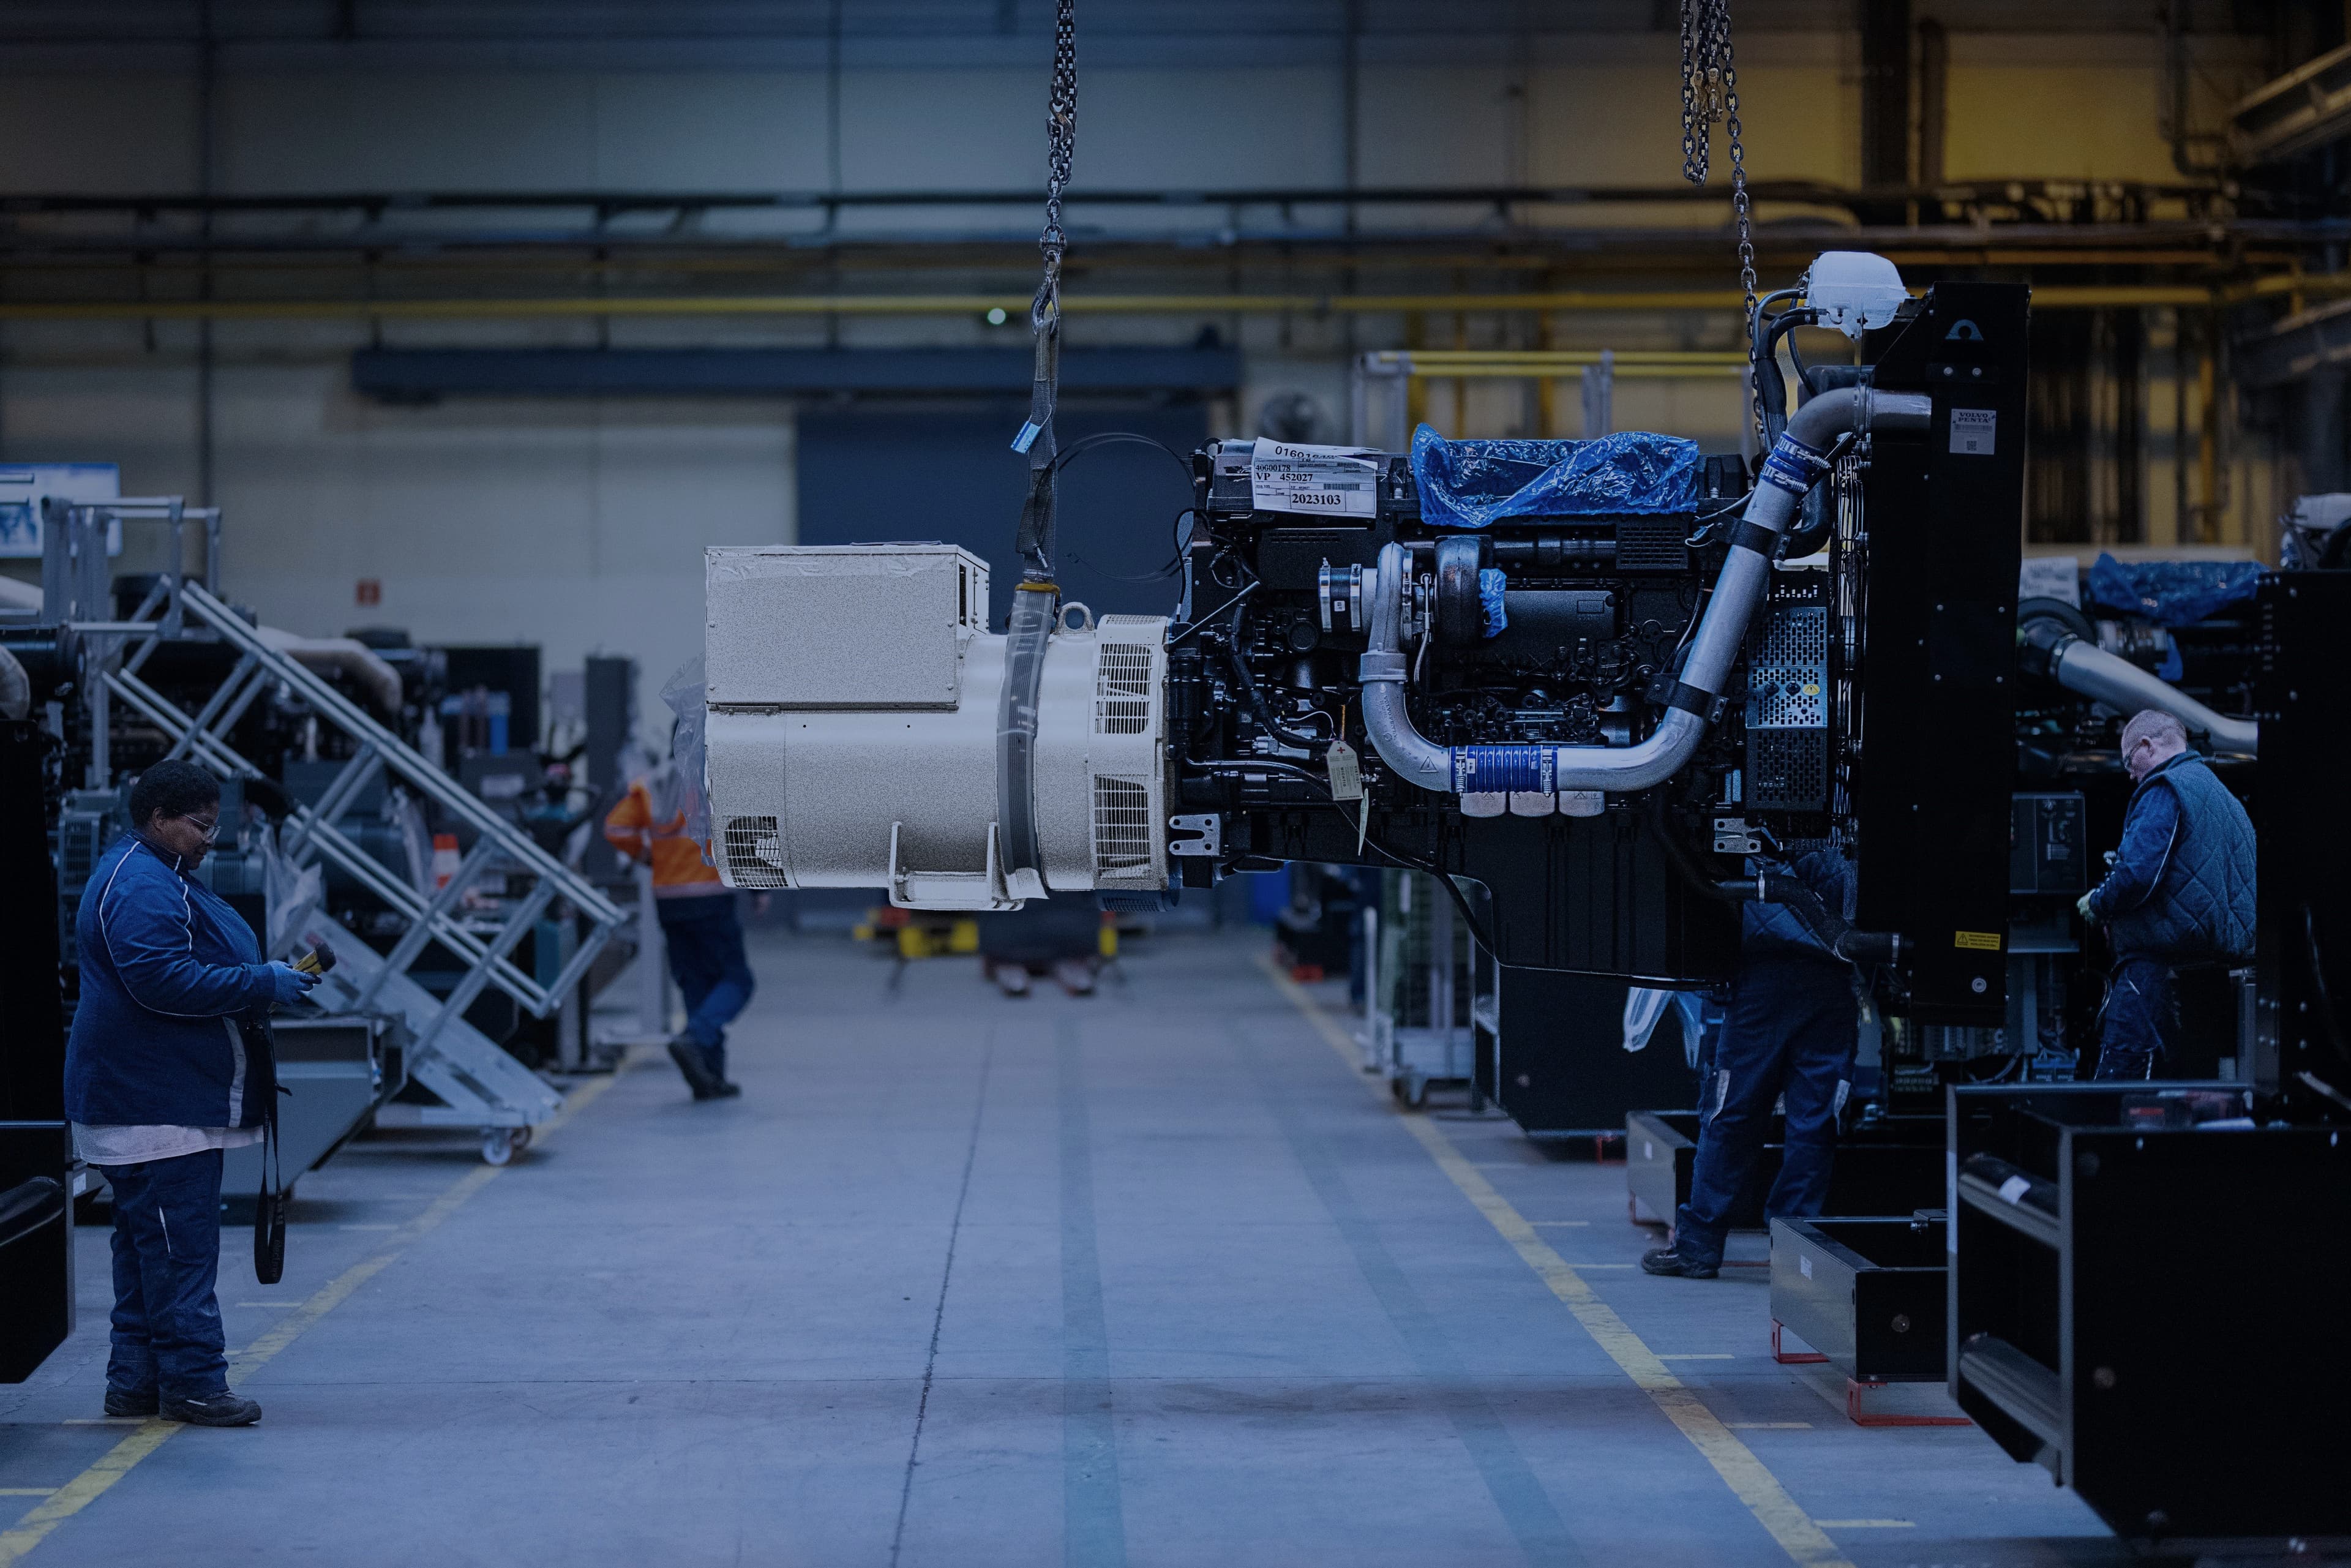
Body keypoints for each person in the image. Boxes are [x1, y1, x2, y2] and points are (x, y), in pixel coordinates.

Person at [61, 759, 320, 1426]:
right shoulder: (143, 884)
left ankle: (136, 1381)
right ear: (158, 819)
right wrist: (263, 982)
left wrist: (265, 977)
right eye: (200, 826)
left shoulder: (159, 872)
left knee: (148, 1248)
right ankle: (195, 1384)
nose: (212, 838)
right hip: (155, 1104)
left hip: (154, 1099)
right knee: (180, 1249)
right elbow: (162, 980)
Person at [1642, 849, 1860, 1280]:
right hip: (1832, 983)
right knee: (1815, 1122)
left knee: (1731, 1114)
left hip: (1765, 979)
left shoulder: (1756, 825)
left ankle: (1698, 1247)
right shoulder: (1845, 822)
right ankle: (1794, 1255)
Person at [2076, 709, 2256, 1080]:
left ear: (2146, 745)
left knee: (2119, 1091)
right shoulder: (2227, 800)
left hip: (2154, 972)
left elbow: (2136, 876)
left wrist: (2098, 903)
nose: (2129, 774)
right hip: (2209, 977)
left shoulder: (2165, 787)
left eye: (2129, 762)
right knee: (2185, 1098)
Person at [604, 751, 751, 1100]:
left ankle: (710, 1078)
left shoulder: (652, 782)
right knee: (736, 980)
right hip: (711, 895)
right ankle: (696, 1038)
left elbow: (616, 827)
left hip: (669, 899)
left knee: (696, 983)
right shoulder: (721, 774)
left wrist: (647, 857)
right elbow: (746, 827)